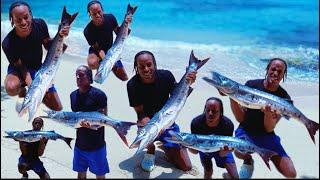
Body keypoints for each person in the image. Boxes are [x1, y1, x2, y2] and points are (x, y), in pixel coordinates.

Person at [127, 50, 196, 172]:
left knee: (186, 167)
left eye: (149, 65)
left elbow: (178, 96)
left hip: (168, 122)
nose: (146, 69)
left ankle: (169, 146)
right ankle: (150, 149)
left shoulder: (166, 76)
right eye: (141, 66)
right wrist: (150, 125)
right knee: (145, 132)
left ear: (154, 64)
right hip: (147, 122)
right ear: (136, 67)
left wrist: (189, 80)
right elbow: (140, 113)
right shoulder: (132, 85)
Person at [229, 58, 296, 178]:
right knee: (239, 151)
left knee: (291, 173)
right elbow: (240, 119)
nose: (275, 73)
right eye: (273, 69)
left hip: (267, 134)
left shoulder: (284, 97)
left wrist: (268, 115)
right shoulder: (251, 85)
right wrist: (232, 97)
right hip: (246, 130)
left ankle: (265, 152)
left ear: (283, 75)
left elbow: (269, 129)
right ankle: (248, 159)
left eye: (280, 72)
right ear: (267, 69)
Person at [2, 1, 70, 111]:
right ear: (12, 20)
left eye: (26, 17)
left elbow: (48, 45)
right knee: (11, 87)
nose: (23, 22)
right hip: (19, 70)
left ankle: (34, 94)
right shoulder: (7, 43)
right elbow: (20, 67)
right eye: (18, 19)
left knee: (57, 107)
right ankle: (21, 89)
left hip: (39, 68)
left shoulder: (40, 25)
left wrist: (60, 35)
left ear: (31, 15)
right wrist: (32, 85)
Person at [70, 65, 109, 179]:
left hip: (97, 146)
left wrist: (91, 125)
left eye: (81, 75)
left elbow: (104, 119)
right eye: (76, 75)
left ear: (89, 77)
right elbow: (75, 119)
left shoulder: (99, 95)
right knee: (80, 174)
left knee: (100, 175)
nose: (78, 77)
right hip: (80, 145)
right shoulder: (73, 96)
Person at [190, 97, 239, 179]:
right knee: (208, 173)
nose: (210, 113)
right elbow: (195, 151)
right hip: (204, 150)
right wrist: (187, 145)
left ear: (220, 112)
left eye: (214, 111)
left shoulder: (228, 125)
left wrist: (225, 151)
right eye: (207, 110)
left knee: (235, 177)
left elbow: (222, 153)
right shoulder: (196, 123)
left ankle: (226, 175)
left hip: (221, 149)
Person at [84, 0, 132, 81]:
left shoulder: (110, 18)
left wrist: (126, 23)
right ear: (90, 14)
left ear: (103, 10)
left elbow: (118, 34)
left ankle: (109, 65)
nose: (98, 15)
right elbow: (97, 49)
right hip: (98, 50)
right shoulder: (88, 31)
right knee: (92, 63)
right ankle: (102, 65)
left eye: (99, 12)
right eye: (94, 14)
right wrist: (108, 61)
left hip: (112, 49)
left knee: (124, 78)